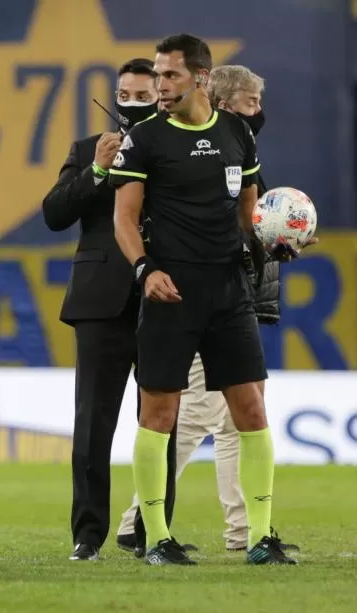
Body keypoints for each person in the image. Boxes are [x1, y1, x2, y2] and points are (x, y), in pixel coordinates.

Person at [109, 34, 306, 566]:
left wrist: (272, 244)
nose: (160, 86)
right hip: (170, 293)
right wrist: (145, 268)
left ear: (200, 76)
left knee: (252, 410)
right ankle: (154, 538)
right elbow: (124, 218)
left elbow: (248, 215)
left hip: (228, 293)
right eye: (157, 76)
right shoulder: (145, 140)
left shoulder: (238, 133)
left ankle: (261, 538)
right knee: (159, 415)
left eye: (169, 76)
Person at [43, 58, 183, 561]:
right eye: (125, 94)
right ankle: (88, 534)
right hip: (100, 300)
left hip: (162, 295)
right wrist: (97, 170)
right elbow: (55, 214)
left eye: (145, 94)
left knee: (161, 421)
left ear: (162, 97)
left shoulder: (178, 149)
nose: (134, 102)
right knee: (93, 421)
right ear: (114, 96)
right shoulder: (88, 149)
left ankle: (155, 531)